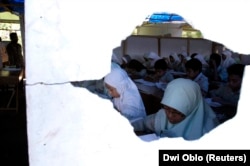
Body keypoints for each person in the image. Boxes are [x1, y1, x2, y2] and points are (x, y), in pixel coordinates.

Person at [132, 78, 219, 140]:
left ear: (191, 108)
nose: (169, 115)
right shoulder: (162, 116)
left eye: (176, 112)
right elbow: (143, 123)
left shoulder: (209, 131)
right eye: (166, 108)